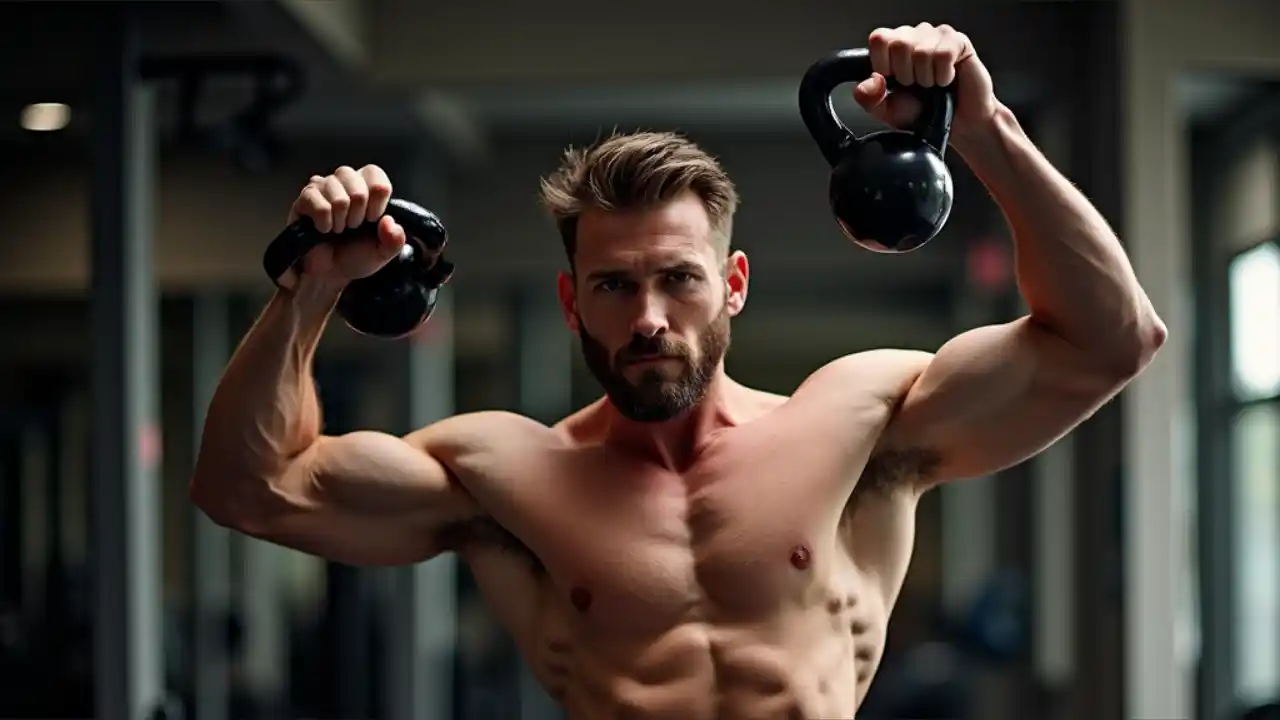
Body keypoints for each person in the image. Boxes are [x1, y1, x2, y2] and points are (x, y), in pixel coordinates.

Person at [191, 23, 1166, 719]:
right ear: (572, 302)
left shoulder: (864, 425)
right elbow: (248, 488)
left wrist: (982, 127)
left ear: (732, 285)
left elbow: (1111, 339)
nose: (648, 318)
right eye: (613, 286)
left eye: (679, 279)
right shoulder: (503, 478)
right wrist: (312, 286)